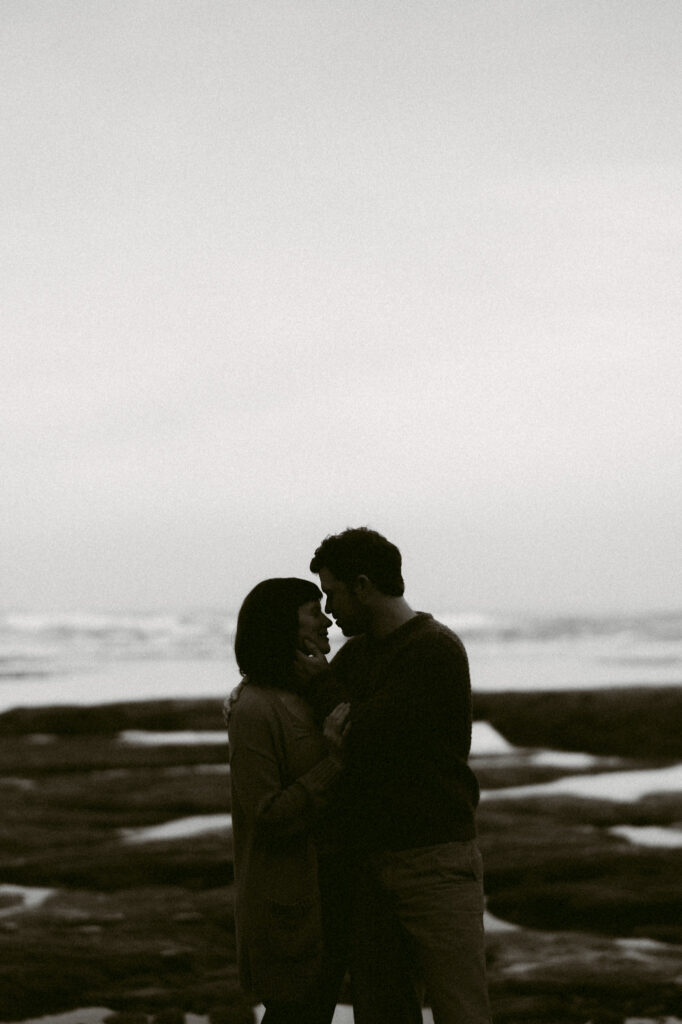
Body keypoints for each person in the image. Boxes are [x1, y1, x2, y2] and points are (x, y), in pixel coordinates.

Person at [299, 528, 492, 1024]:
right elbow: (322, 715)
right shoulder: (359, 655)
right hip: (371, 865)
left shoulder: (433, 649)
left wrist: (327, 692)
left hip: (435, 862)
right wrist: (250, 692)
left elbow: (362, 734)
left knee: (461, 1012)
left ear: (362, 586)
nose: (328, 609)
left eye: (332, 592)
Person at [225, 578, 351, 1024]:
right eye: (313, 611)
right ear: (283, 626)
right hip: (289, 902)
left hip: (333, 894)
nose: (326, 620)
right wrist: (334, 765)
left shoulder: (311, 689)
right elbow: (267, 814)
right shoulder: (253, 708)